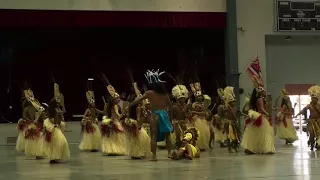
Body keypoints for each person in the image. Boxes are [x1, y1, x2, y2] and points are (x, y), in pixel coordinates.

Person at [129, 69, 173, 161]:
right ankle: (169, 153)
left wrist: (130, 105)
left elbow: (138, 100)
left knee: (154, 135)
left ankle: (154, 156)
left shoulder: (149, 93)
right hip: (164, 114)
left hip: (155, 114)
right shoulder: (165, 94)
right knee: (167, 135)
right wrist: (170, 119)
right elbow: (170, 107)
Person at [241, 75, 275, 154]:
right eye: (263, 91)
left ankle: (251, 148)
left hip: (258, 117)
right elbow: (262, 109)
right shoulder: (260, 99)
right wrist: (267, 113)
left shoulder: (260, 99)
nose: (264, 92)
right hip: (261, 117)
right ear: (260, 92)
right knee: (264, 134)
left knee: (256, 134)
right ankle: (265, 148)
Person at [99, 74, 126, 155]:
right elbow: (117, 114)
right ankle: (115, 150)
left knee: (111, 137)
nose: (118, 99)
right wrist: (122, 115)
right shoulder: (115, 105)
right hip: (115, 122)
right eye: (117, 98)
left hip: (110, 121)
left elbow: (106, 114)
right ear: (115, 99)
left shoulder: (109, 105)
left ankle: (111, 150)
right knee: (117, 138)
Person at [122, 81, 151, 159]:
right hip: (137, 125)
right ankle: (137, 153)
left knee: (140, 139)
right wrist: (140, 124)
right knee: (141, 139)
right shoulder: (138, 108)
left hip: (135, 124)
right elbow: (138, 118)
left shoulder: (138, 107)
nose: (143, 100)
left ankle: (137, 153)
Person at [42, 98, 70, 164]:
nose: (58, 104)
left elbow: (60, 120)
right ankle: (53, 158)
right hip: (54, 128)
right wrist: (56, 122)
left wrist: (61, 116)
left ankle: (57, 157)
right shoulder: (52, 110)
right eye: (57, 103)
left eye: (58, 103)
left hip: (57, 127)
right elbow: (51, 120)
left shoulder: (58, 109)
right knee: (56, 143)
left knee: (62, 142)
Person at [294, 85, 320, 150]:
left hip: (318, 121)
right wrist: (297, 114)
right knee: (311, 133)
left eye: (315, 98)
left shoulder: (319, 106)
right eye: (312, 98)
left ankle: (318, 144)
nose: (313, 99)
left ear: (317, 99)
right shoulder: (309, 105)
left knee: (318, 134)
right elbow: (303, 110)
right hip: (311, 121)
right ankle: (311, 143)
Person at [79, 81, 103, 152]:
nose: (94, 104)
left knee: (96, 135)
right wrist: (88, 119)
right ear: (90, 104)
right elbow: (84, 116)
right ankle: (90, 146)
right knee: (90, 136)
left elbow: (102, 112)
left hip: (94, 123)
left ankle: (94, 146)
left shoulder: (95, 109)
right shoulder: (88, 110)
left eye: (94, 103)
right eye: (93, 103)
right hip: (90, 123)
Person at [23, 88, 45, 159]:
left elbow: (41, 110)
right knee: (37, 138)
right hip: (33, 124)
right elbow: (25, 117)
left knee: (39, 138)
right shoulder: (28, 107)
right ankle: (38, 153)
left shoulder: (36, 103)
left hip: (39, 122)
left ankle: (39, 153)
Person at [189, 82, 210, 151]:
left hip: (203, 120)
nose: (200, 98)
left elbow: (204, 112)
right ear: (196, 97)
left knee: (206, 133)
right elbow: (192, 112)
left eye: (201, 96)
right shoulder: (194, 104)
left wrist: (201, 113)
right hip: (197, 120)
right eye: (198, 97)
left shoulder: (204, 104)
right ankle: (198, 146)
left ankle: (203, 146)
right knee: (199, 133)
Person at [222, 86, 240, 153]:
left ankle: (235, 147)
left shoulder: (235, 108)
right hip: (229, 124)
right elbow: (223, 112)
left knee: (236, 136)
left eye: (234, 102)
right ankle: (229, 148)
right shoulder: (227, 109)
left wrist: (247, 115)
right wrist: (225, 105)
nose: (234, 103)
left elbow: (239, 113)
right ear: (229, 103)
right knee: (229, 137)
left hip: (234, 123)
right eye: (232, 102)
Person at [171, 83, 189, 149]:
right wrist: (173, 123)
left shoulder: (186, 106)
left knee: (187, 135)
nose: (182, 100)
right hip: (177, 123)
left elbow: (187, 115)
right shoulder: (174, 107)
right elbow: (172, 116)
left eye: (183, 99)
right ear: (177, 99)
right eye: (180, 99)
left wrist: (187, 115)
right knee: (178, 135)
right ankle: (178, 144)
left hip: (185, 122)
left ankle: (186, 146)